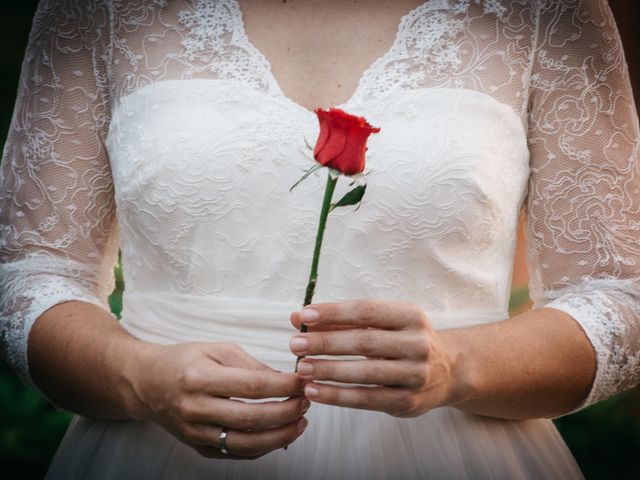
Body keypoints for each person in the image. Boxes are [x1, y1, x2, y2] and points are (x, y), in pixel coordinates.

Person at [1, 0, 638, 478]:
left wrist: (460, 364)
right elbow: (27, 273)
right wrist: (138, 375)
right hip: (155, 452)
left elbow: (619, 297)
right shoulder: (100, 11)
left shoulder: (545, 12)